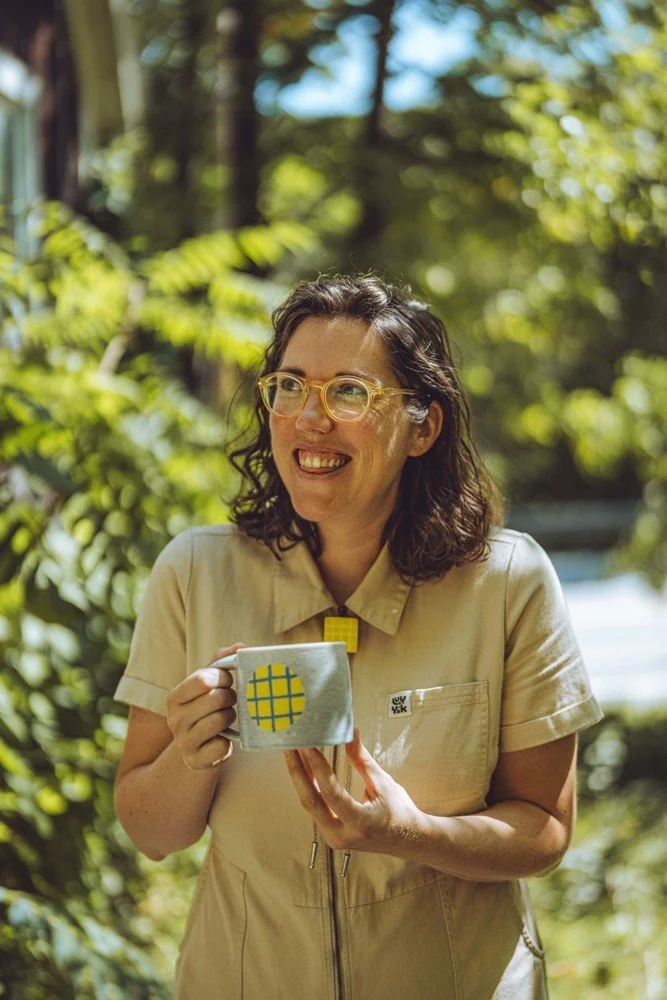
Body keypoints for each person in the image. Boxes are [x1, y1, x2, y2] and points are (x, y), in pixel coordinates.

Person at [113, 275, 603, 1000]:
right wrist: (190, 755)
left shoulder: (507, 582)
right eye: (290, 386)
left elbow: (543, 834)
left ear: (421, 426)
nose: (311, 419)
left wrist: (408, 834)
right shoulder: (194, 572)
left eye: (347, 392)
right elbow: (151, 832)